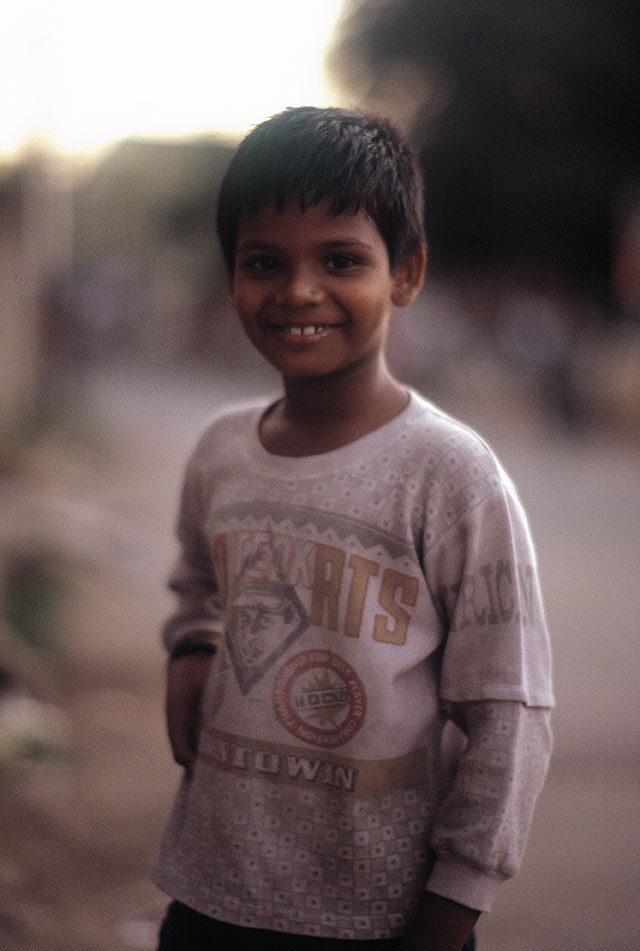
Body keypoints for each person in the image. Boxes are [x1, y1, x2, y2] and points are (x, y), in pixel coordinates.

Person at [153, 106, 553, 951]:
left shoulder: (452, 474)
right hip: (208, 892)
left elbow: (509, 711)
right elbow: (198, 575)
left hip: (381, 913)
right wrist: (193, 642)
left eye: (341, 259)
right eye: (264, 262)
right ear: (231, 278)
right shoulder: (223, 449)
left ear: (405, 273)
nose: (298, 291)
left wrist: (455, 904)